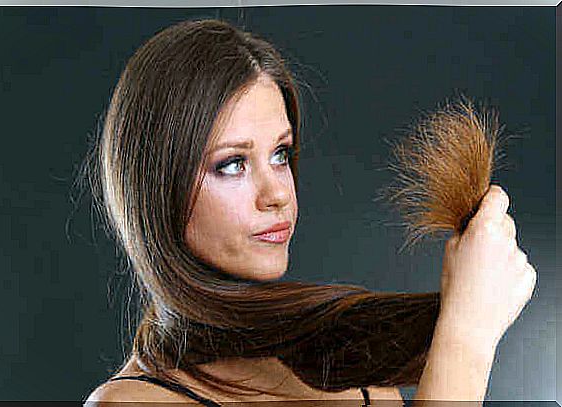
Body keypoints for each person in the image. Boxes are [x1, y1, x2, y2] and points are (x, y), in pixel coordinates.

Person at [84, 19, 536, 406]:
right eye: (233, 164)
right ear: (158, 189)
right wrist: (466, 337)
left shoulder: (352, 372)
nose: (277, 193)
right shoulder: (134, 400)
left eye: (280, 154)